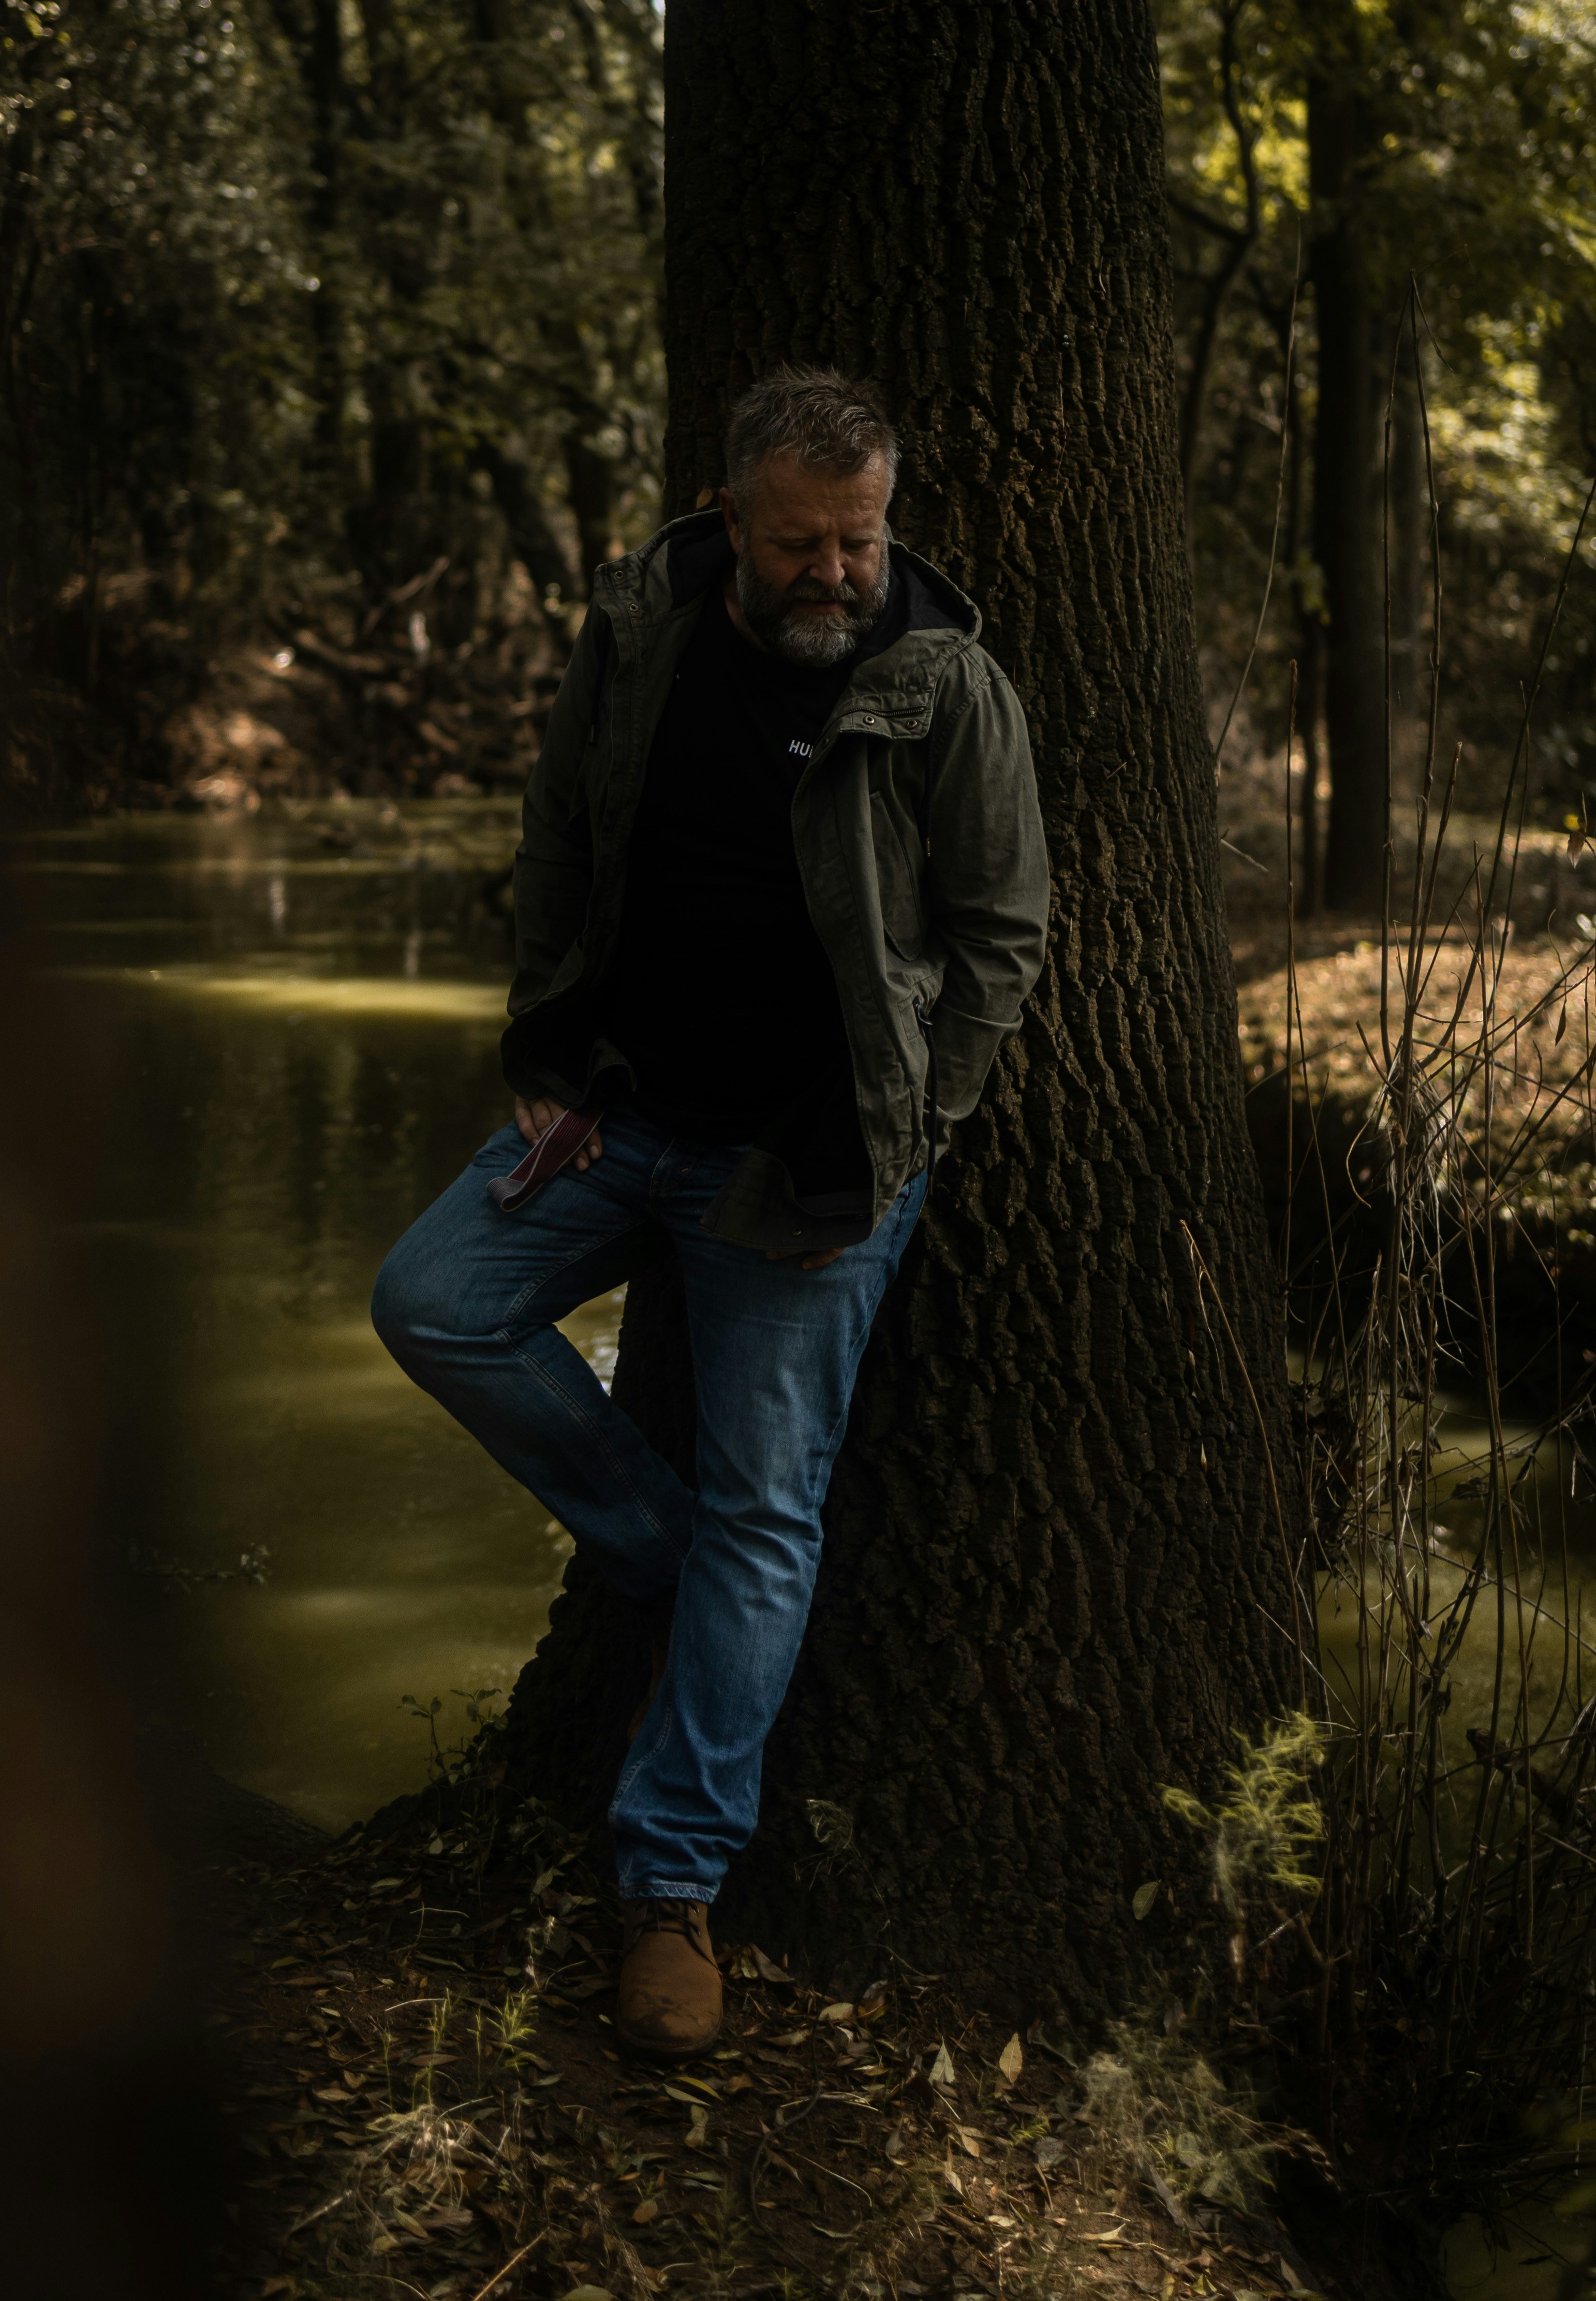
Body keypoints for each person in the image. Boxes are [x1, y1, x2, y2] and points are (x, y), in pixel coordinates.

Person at [373, 368, 1048, 2060]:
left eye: (863, 539)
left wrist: (900, 1144)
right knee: (433, 1301)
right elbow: (558, 835)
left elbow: (1000, 940)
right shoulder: (643, 632)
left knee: (776, 1507)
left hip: (801, 1178)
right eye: (804, 541)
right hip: (615, 1114)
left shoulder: (945, 685)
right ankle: (663, 1554)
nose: (837, 572)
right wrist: (540, 1039)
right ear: (732, 518)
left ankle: (668, 1895)